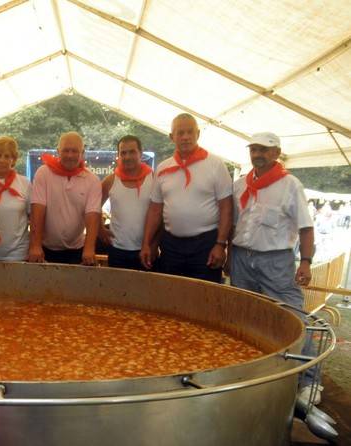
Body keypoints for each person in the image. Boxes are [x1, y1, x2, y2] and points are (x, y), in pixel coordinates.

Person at [229, 132, 317, 403]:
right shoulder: (241, 184)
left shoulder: (290, 184)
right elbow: (234, 223)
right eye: (254, 149)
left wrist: (305, 261)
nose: (258, 154)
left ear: (276, 153)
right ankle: (253, 373)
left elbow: (305, 226)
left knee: (294, 317)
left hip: (276, 260)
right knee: (244, 317)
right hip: (242, 257)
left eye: (264, 150)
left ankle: (309, 381)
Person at [140, 113, 233, 282]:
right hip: (170, 245)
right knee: (170, 294)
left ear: (198, 134)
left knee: (204, 296)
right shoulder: (163, 168)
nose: (186, 137)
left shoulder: (215, 165)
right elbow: (155, 210)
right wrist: (146, 243)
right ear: (171, 137)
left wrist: (221, 245)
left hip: (206, 244)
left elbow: (227, 208)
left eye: (190, 132)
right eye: (180, 133)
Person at [28, 132, 101, 265]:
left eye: (75, 151)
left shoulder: (93, 180)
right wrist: (35, 245)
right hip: (45, 248)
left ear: (82, 153)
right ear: (58, 151)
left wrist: (89, 248)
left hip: (77, 249)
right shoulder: (43, 173)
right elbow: (37, 210)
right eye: (66, 150)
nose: (70, 155)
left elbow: (92, 215)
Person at [99, 135, 156, 270]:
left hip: (146, 249)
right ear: (118, 155)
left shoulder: (154, 179)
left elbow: (161, 214)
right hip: (117, 250)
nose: (127, 156)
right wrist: (100, 230)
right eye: (123, 153)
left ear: (141, 154)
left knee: (145, 290)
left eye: (132, 152)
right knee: (117, 290)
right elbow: (93, 207)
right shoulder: (110, 181)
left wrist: (155, 243)